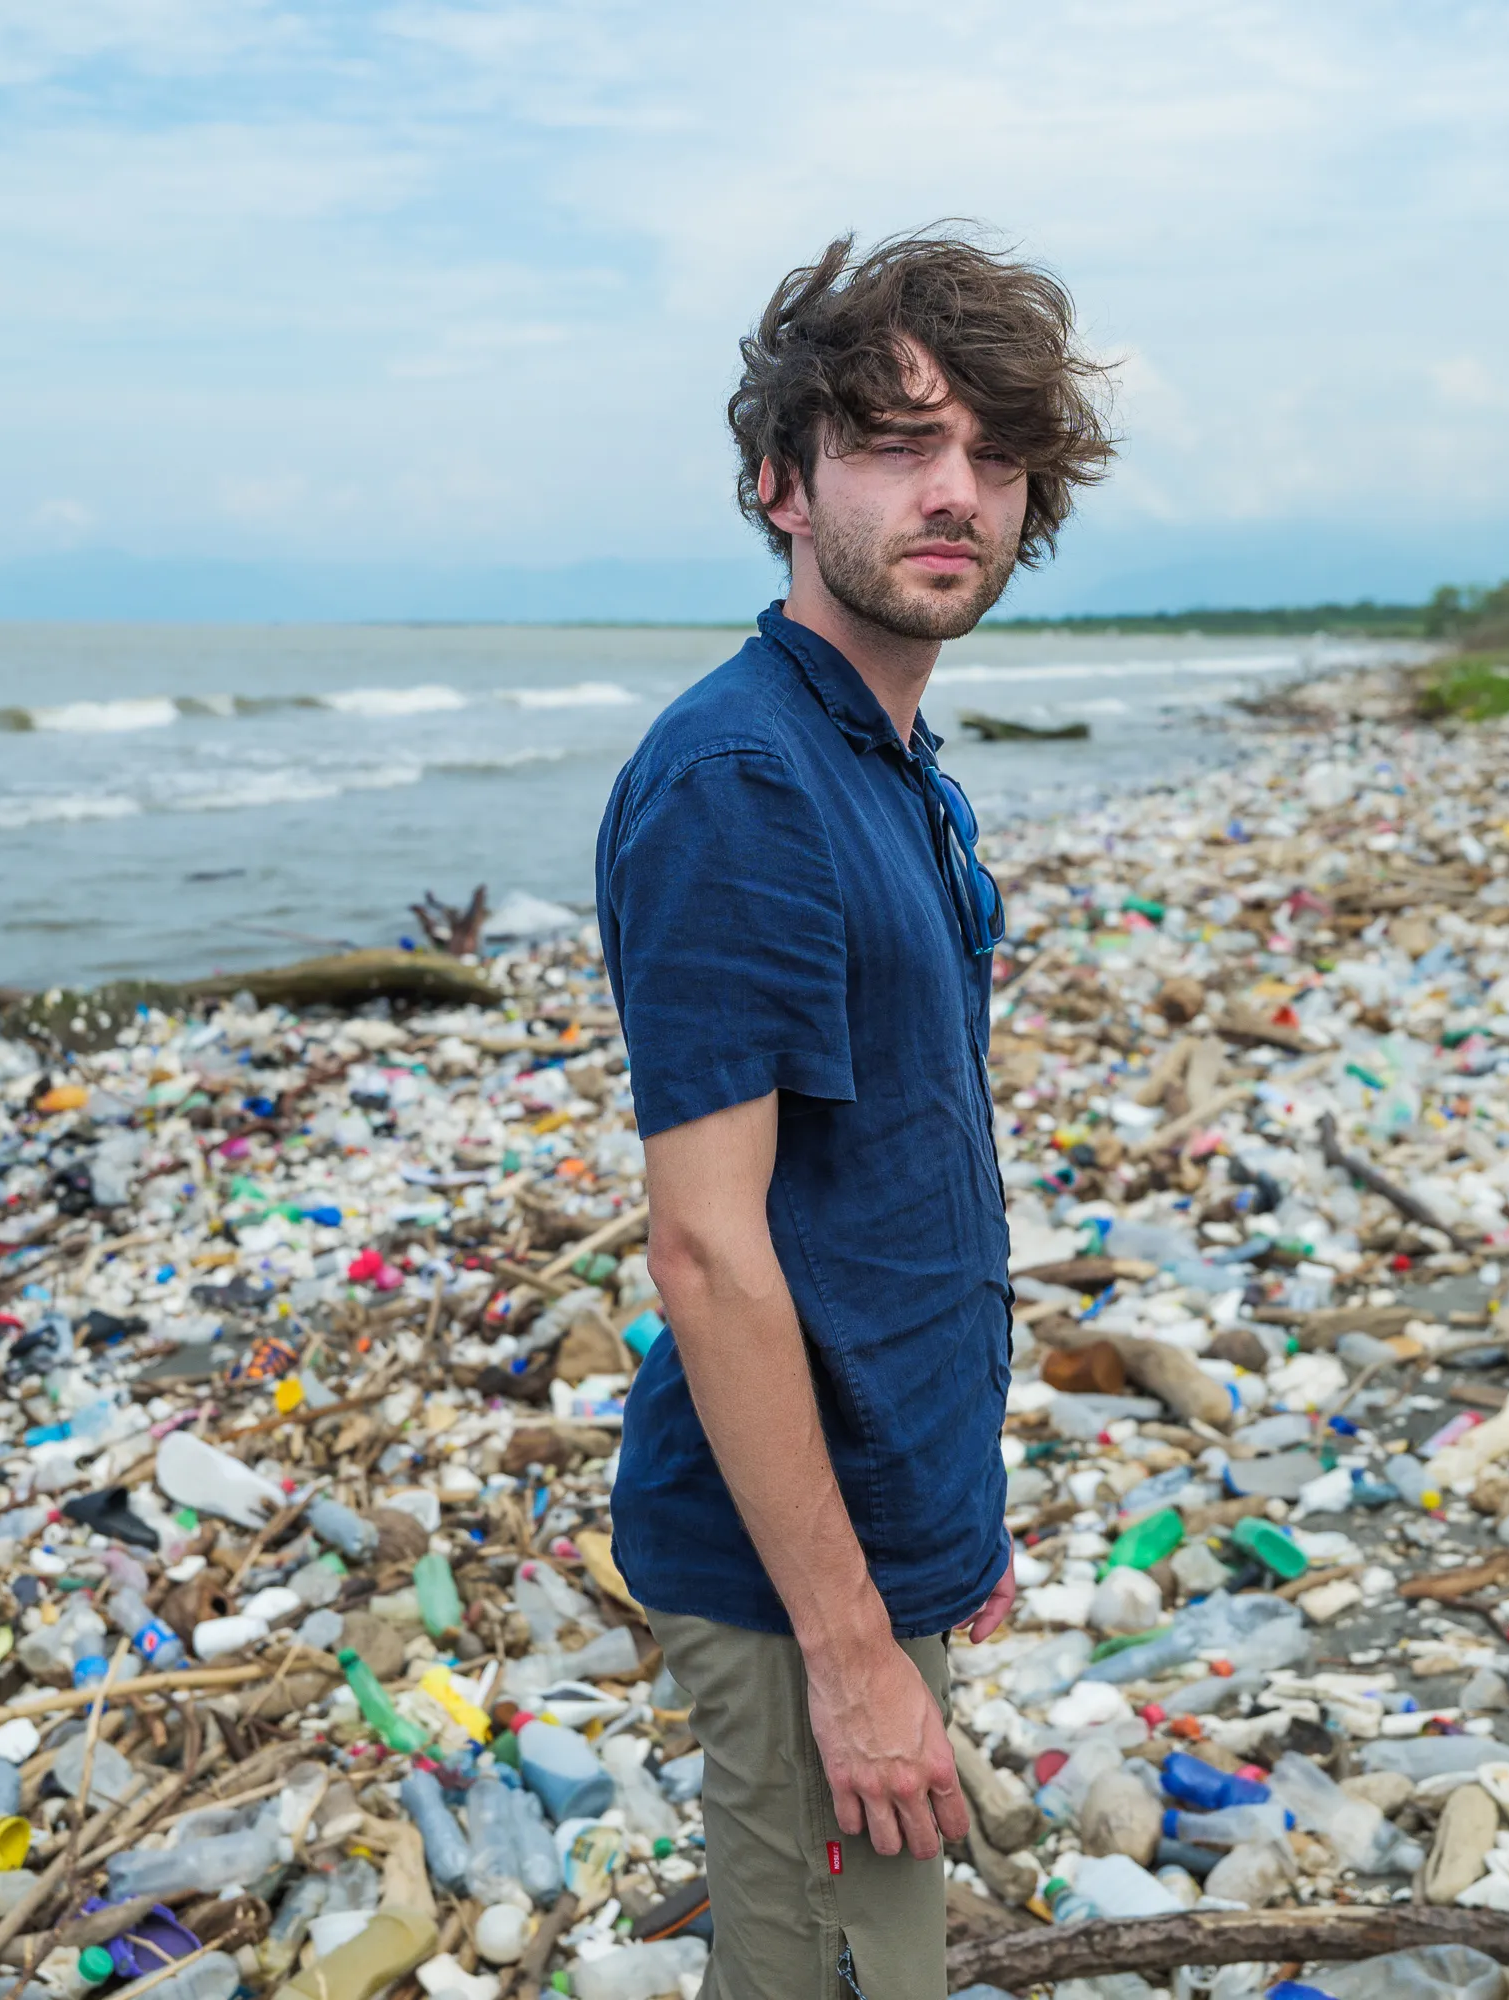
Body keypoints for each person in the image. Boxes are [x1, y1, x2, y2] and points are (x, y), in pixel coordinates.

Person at [595, 228, 1116, 1998]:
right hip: (779, 1577)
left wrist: (947, 1519)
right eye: (896, 442)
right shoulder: (745, 780)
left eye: (990, 452)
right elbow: (707, 1245)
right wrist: (843, 1642)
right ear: (781, 482)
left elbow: (888, 1180)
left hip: (877, 1522)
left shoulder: (888, 763)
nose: (953, 490)